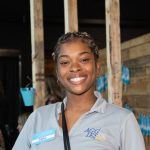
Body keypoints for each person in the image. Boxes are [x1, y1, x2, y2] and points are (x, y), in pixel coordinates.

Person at [12, 32, 145, 150]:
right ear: (58, 73)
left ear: (97, 68)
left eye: (84, 60)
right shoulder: (38, 118)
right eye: (65, 62)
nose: (74, 67)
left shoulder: (122, 120)